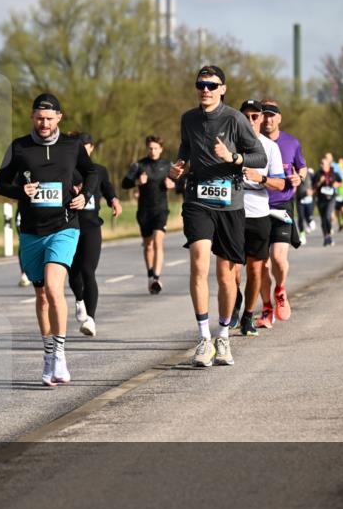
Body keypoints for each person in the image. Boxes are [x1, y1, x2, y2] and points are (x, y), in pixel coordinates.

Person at [167, 66, 266, 367]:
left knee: (226, 274)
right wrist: (178, 165)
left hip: (230, 204)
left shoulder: (235, 119)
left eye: (212, 85)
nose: (205, 90)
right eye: (201, 84)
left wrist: (233, 157)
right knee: (199, 262)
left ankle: (222, 336)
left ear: (223, 89)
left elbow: (259, 156)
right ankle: (203, 339)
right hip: (198, 200)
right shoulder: (188, 119)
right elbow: (186, 147)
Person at [0, 93, 96, 386]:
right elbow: (0, 183)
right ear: (32, 117)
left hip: (64, 227)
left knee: (54, 287)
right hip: (31, 231)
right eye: (39, 118)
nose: (44, 123)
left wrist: (84, 195)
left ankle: (61, 356)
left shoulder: (72, 146)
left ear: (59, 118)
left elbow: (92, 172)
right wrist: (20, 191)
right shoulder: (19, 147)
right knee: (41, 295)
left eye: (49, 118)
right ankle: (49, 354)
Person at [233, 101, 286, 336]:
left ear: (262, 119)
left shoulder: (270, 148)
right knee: (232, 269)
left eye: (255, 116)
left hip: (258, 213)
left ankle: (247, 316)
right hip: (233, 212)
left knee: (255, 271)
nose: (251, 121)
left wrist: (260, 178)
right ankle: (235, 298)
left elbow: (281, 184)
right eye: (246, 116)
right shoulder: (230, 144)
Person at [256, 99, 306, 329]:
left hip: (282, 205)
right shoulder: (252, 142)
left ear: (279, 118)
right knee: (261, 264)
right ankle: (266, 308)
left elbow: (302, 167)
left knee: (278, 258)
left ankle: (280, 290)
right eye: (264, 114)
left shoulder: (291, 142)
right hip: (257, 206)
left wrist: (300, 177)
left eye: (272, 114)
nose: (268, 119)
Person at [69, 137, 121, 336]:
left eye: (85, 147)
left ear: (91, 148)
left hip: (91, 227)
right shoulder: (66, 169)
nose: (82, 150)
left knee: (88, 271)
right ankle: (79, 300)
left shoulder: (98, 170)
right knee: (73, 273)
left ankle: (90, 319)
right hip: (69, 227)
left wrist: (114, 199)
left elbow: (106, 187)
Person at [122, 134, 175, 294]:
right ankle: (150, 276)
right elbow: (124, 183)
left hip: (161, 210)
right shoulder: (139, 165)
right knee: (148, 245)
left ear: (161, 149)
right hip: (144, 211)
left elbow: (180, 182)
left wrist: (172, 184)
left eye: (156, 148)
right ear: (147, 149)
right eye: (150, 148)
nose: (153, 151)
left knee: (158, 241)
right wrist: (137, 182)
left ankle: (156, 278)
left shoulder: (167, 165)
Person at [313, 153, 341, 247]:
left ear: (328, 165)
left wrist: (337, 184)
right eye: (321, 164)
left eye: (323, 164)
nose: (321, 165)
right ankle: (326, 237)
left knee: (328, 216)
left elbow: (340, 181)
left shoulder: (333, 173)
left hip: (331, 198)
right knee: (323, 219)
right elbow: (314, 187)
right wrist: (320, 181)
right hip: (321, 199)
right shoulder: (318, 174)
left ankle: (329, 234)